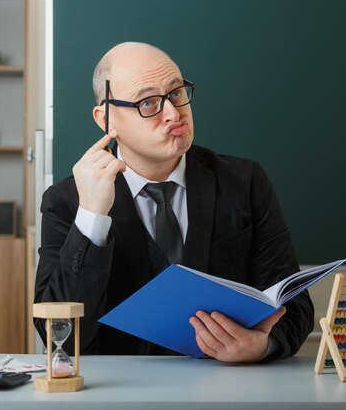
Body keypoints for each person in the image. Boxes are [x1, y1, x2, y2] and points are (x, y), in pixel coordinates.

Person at [34, 42, 313, 363]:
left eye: (177, 93)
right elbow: (58, 334)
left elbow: (296, 305)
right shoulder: (66, 201)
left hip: (227, 384)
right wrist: (92, 215)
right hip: (117, 390)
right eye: (149, 102)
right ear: (106, 118)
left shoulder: (244, 181)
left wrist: (262, 345)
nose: (173, 113)